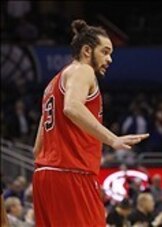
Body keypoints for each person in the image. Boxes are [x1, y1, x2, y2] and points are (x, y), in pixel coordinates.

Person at [32, 19, 149, 227]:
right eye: (105, 52)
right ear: (87, 50)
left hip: (44, 176)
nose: (110, 59)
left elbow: (37, 148)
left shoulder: (52, 84)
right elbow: (72, 107)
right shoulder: (82, 70)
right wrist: (112, 139)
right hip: (72, 174)